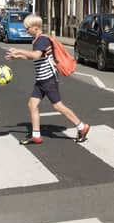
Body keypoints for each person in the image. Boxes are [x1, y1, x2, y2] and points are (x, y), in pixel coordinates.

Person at [5, 14, 90, 145]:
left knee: (58, 106)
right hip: (41, 80)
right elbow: (35, 57)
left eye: (27, 28)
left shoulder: (42, 40)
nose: (26, 31)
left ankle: (81, 126)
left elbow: (36, 55)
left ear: (35, 27)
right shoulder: (37, 39)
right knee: (32, 105)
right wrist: (17, 56)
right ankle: (36, 135)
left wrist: (19, 50)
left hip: (48, 79)